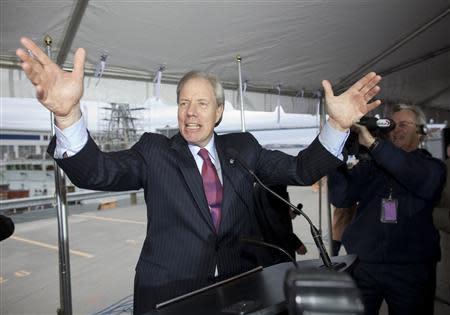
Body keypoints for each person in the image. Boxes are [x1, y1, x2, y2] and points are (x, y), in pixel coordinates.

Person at [16, 37, 382, 313]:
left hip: (240, 290)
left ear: (219, 112)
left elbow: (301, 170)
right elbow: (96, 171)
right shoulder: (155, 151)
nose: (190, 112)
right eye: (183, 103)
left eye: (202, 103)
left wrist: (336, 124)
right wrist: (67, 116)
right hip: (169, 295)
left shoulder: (245, 148)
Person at [328, 104, 447, 315]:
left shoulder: (432, 167)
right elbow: (340, 198)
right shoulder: (371, 167)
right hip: (364, 264)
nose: (396, 130)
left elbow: (408, 170)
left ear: (420, 132)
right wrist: (338, 156)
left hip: (410, 268)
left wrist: (374, 145)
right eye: (392, 125)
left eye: (404, 125)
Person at [253, 184, 307, 266]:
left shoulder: (261, 183)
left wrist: (289, 211)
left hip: (263, 249)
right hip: (277, 252)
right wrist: (296, 244)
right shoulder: (275, 188)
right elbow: (277, 223)